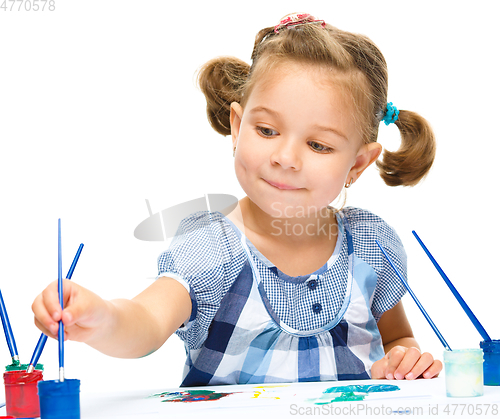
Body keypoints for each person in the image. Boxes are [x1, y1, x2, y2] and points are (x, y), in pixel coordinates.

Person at [32, 13, 442, 386]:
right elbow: (146, 323)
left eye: (318, 145)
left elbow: (397, 338)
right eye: (266, 130)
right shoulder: (212, 248)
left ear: (358, 163)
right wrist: (102, 319)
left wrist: (402, 360)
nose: (285, 157)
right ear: (236, 124)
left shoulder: (370, 246)